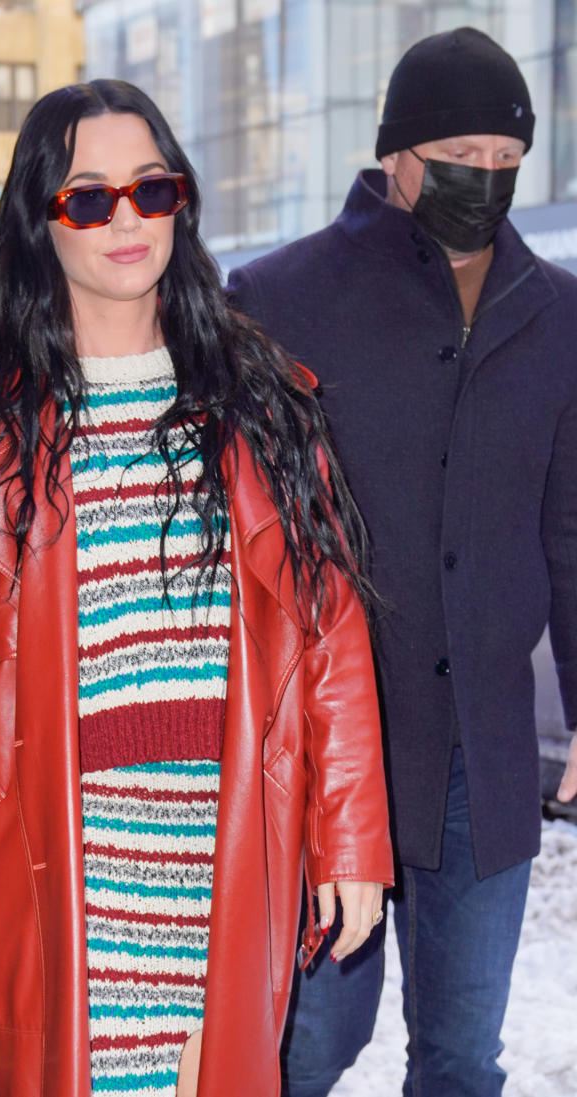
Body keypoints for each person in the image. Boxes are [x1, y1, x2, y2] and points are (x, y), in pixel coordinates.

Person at [0, 79, 394, 1097]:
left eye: (152, 189)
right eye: (88, 198)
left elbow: (328, 629)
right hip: (52, 840)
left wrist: (353, 830)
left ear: (183, 201)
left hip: (227, 831)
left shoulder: (263, 397)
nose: (127, 219)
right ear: (39, 222)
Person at [228, 26, 577, 1097]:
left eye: (509, 159)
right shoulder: (278, 296)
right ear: (398, 156)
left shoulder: (559, 310)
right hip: (333, 752)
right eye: (464, 152)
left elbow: (569, 528)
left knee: (465, 1057)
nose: (487, 178)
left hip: (485, 752)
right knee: (304, 1046)